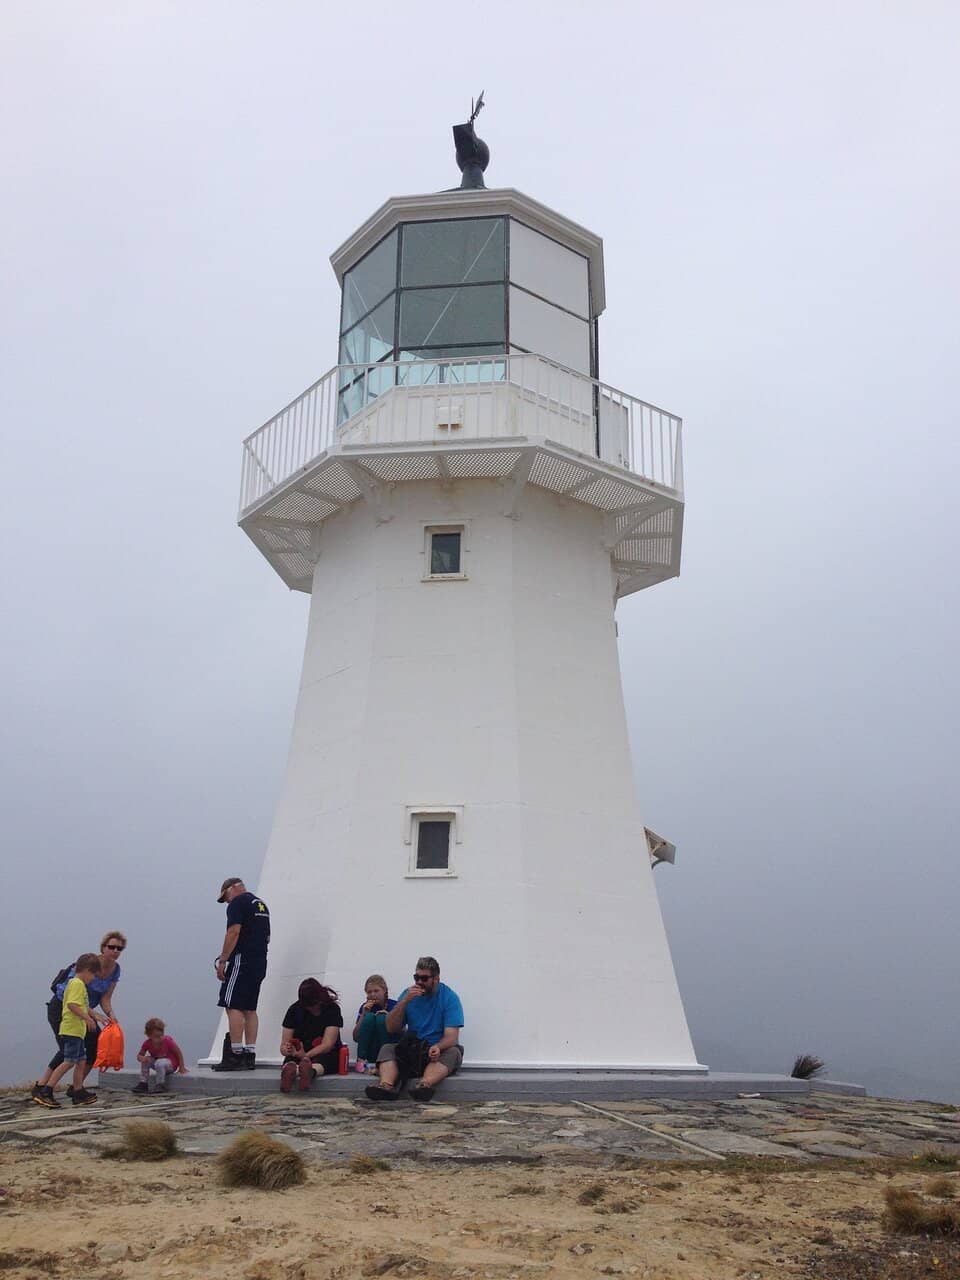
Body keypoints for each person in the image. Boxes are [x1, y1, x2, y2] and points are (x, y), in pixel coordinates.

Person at [31, 931, 126, 1105]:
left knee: (91, 1048)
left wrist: (111, 1015)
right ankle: (43, 1087)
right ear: (103, 947)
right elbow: (71, 1000)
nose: (115, 951)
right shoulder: (86, 966)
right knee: (68, 1050)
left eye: (119, 948)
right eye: (111, 946)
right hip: (62, 1009)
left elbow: (105, 998)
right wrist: (93, 1015)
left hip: (84, 1014)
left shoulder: (115, 970)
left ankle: (77, 1088)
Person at [365, 956, 463, 1103]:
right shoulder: (408, 994)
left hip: (436, 1050)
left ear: (436, 979)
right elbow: (391, 1027)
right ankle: (386, 1086)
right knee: (387, 1048)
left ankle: (424, 1085)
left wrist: (438, 1046)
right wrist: (404, 1002)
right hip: (413, 1049)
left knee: (453, 1052)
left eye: (424, 978)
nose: (419, 982)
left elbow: (451, 1037)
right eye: (416, 977)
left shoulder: (450, 998)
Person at [214, 877, 270, 1070]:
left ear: (232, 889)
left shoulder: (238, 903)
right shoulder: (261, 905)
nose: (227, 902)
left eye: (226, 897)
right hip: (260, 960)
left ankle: (235, 1055)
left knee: (232, 1004)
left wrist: (223, 960)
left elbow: (233, 932)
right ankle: (250, 1054)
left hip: (242, 960)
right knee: (250, 1008)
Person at [33, 954, 102, 1107]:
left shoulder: (77, 984)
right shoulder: (77, 984)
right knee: (69, 1061)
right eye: (93, 975)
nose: (93, 979)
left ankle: (78, 1091)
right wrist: (87, 1018)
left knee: (81, 1060)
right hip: (72, 1030)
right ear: (86, 970)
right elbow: (72, 1005)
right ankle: (46, 1091)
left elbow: (82, 1005)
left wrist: (95, 1016)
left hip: (77, 1031)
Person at [279, 979, 344, 1092]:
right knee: (291, 1059)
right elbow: (284, 1045)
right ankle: (300, 1071)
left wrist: (305, 1056)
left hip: (323, 1052)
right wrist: (288, 1049)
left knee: (329, 1058)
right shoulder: (294, 1010)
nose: (312, 1008)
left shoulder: (332, 1009)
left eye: (313, 1005)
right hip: (299, 1052)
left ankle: (303, 1071)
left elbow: (327, 1045)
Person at [351, 973, 398, 1072]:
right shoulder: (365, 1006)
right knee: (369, 1017)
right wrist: (363, 1015)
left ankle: (384, 1061)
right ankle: (361, 1061)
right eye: (369, 992)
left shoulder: (394, 1005)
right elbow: (355, 1037)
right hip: (371, 1051)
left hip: (388, 1050)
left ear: (384, 990)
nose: (372, 994)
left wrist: (389, 1017)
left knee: (381, 1018)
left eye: (376, 991)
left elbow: (402, 1032)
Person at [132, 1018, 189, 1095]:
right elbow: (140, 1055)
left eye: (160, 1035)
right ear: (149, 1035)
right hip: (157, 1064)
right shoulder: (147, 1043)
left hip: (170, 1065)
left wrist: (181, 1067)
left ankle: (160, 1084)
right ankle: (143, 1083)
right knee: (147, 1060)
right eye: (156, 1036)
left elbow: (178, 1053)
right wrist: (141, 1058)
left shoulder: (167, 1041)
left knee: (160, 1062)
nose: (159, 1038)